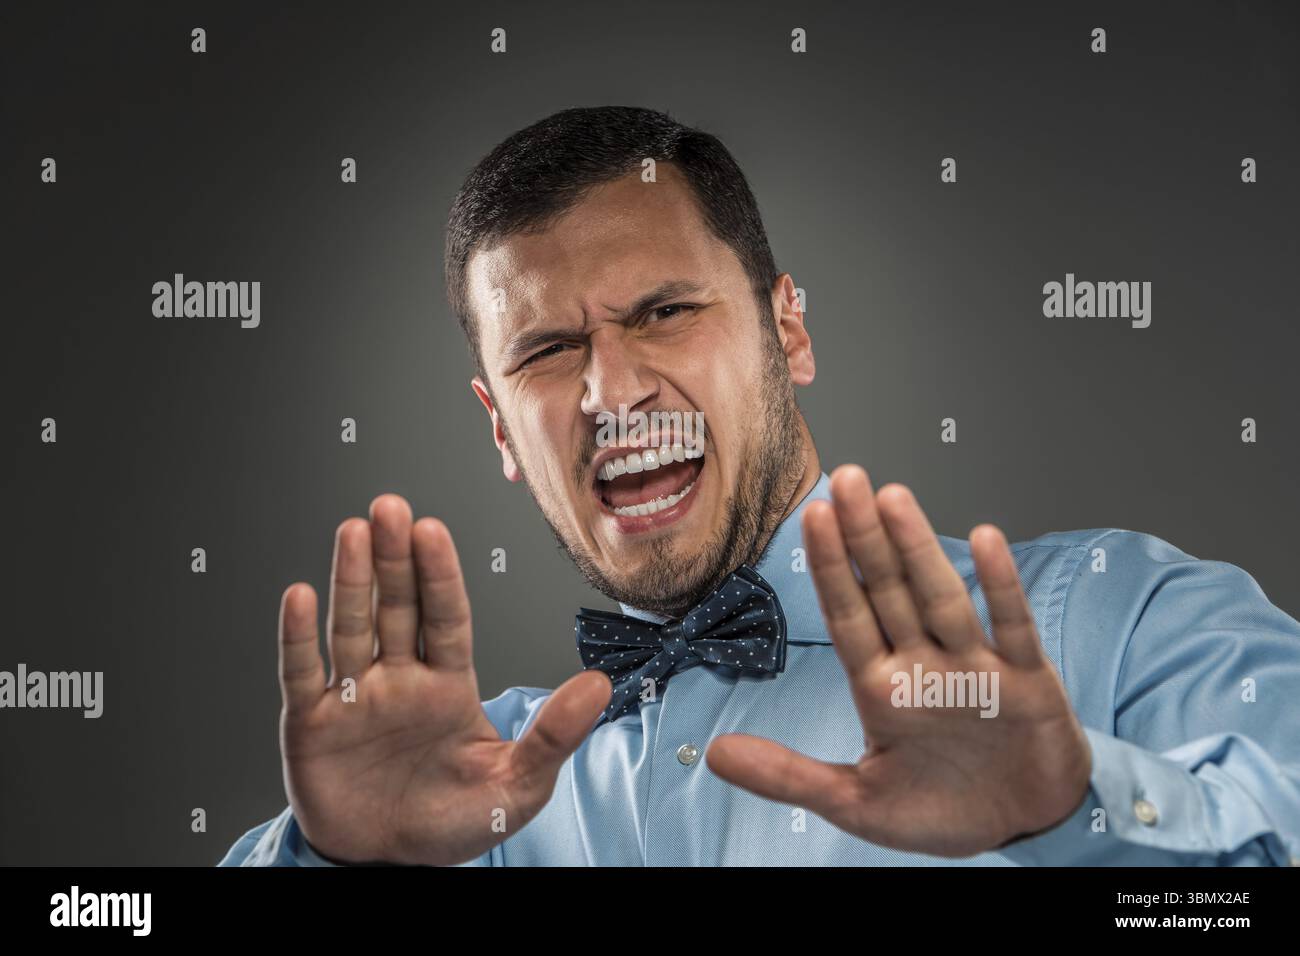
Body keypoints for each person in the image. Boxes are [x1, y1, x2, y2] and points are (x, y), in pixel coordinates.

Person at [220, 106, 1300, 866]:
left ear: (788, 328)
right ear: (500, 426)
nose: (612, 390)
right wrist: (333, 862)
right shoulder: (467, 795)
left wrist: (1077, 811)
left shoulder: (1113, 619)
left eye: (663, 311)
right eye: (548, 348)